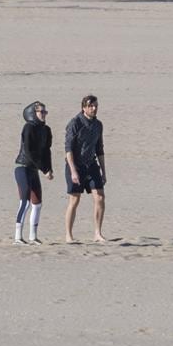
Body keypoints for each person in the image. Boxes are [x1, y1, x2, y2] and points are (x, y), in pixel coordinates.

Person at [63, 95, 107, 244]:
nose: (94, 108)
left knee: (100, 197)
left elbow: (99, 149)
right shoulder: (74, 123)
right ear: (84, 107)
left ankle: (97, 233)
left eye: (95, 106)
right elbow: (68, 148)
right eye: (90, 106)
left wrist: (103, 171)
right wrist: (73, 171)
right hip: (75, 165)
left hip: (92, 165)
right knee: (75, 199)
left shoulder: (98, 125)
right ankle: (69, 235)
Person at [13, 101, 53, 245]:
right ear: (33, 113)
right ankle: (17, 237)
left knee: (37, 203)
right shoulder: (28, 128)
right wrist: (44, 169)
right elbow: (29, 152)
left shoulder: (46, 130)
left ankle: (33, 236)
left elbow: (46, 151)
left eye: (45, 112)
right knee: (25, 202)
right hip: (23, 167)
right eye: (40, 112)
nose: (43, 114)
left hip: (34, 169)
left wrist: (49, 168)